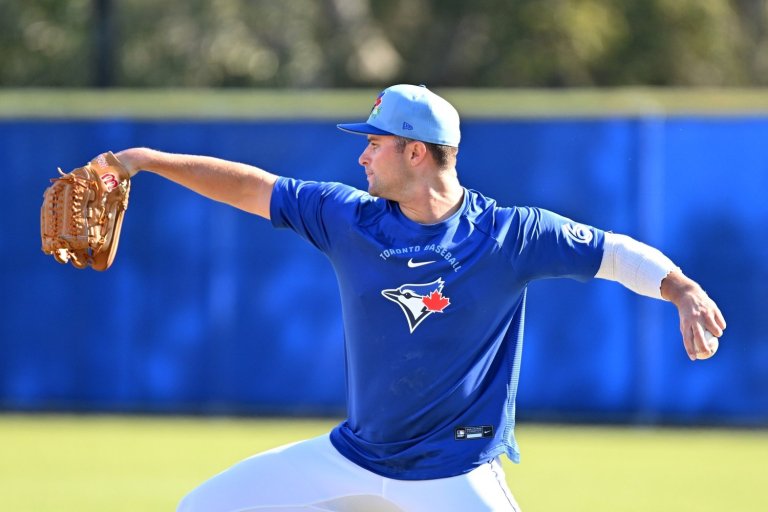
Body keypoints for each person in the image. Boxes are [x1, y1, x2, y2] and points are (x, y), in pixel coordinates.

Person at [113, 84, 726, 512]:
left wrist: (684, 289)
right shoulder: (348, 217)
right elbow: (253, 187)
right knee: (205, 507)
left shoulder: (508, 235)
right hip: (354, 457)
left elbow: (614, 254)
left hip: (454, 475)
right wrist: (146, 160)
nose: (361, 155)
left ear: (415, 151)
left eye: (374, 143)